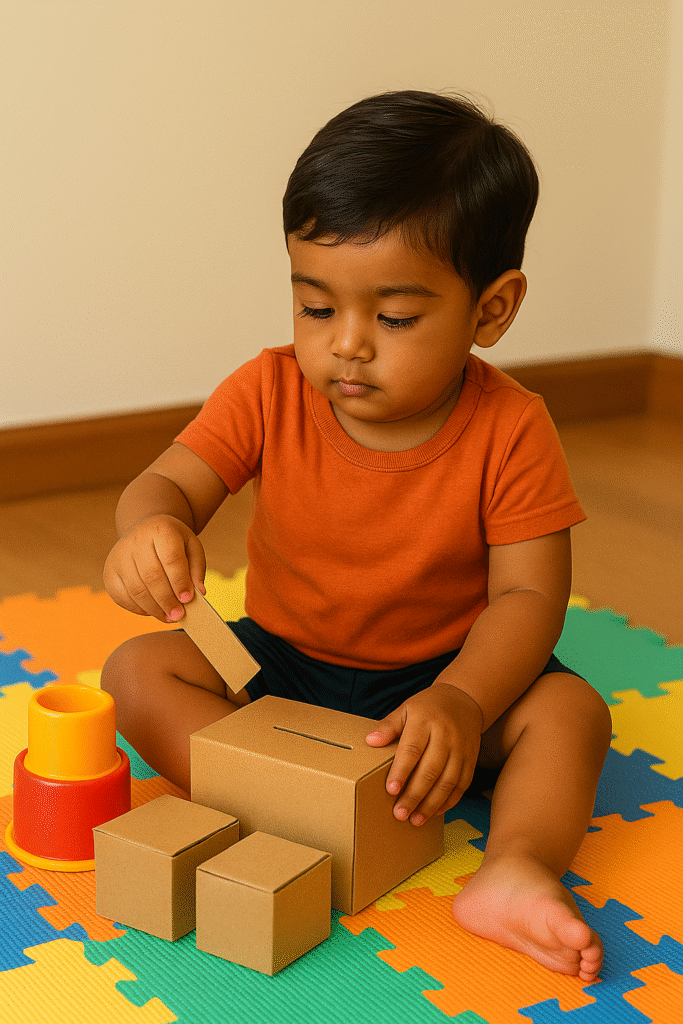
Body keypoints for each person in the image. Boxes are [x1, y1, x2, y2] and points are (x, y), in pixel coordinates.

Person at [102, 90, 612, 981]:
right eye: (314, 307)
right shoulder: (265, 390)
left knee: (571, 713)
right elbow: (168, 483)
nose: (345, 346)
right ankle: (279, 807)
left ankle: (514, 867)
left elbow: (530, 598)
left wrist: (461, 701)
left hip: (436, 693)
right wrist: (149, 527)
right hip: (279, 677)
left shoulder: (512, 427)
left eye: (394, 318)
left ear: (490, 311)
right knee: (138, 671)